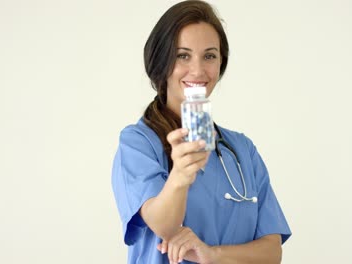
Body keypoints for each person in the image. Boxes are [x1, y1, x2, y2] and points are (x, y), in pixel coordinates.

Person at [112, 1, 291, 263]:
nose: (197, 71)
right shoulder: (138, 143)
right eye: (182, 55)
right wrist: (180, 177)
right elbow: (163, 227)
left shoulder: (242, 150)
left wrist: (211, 254)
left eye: (209, 56)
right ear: (160, 61)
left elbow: (272, 251)